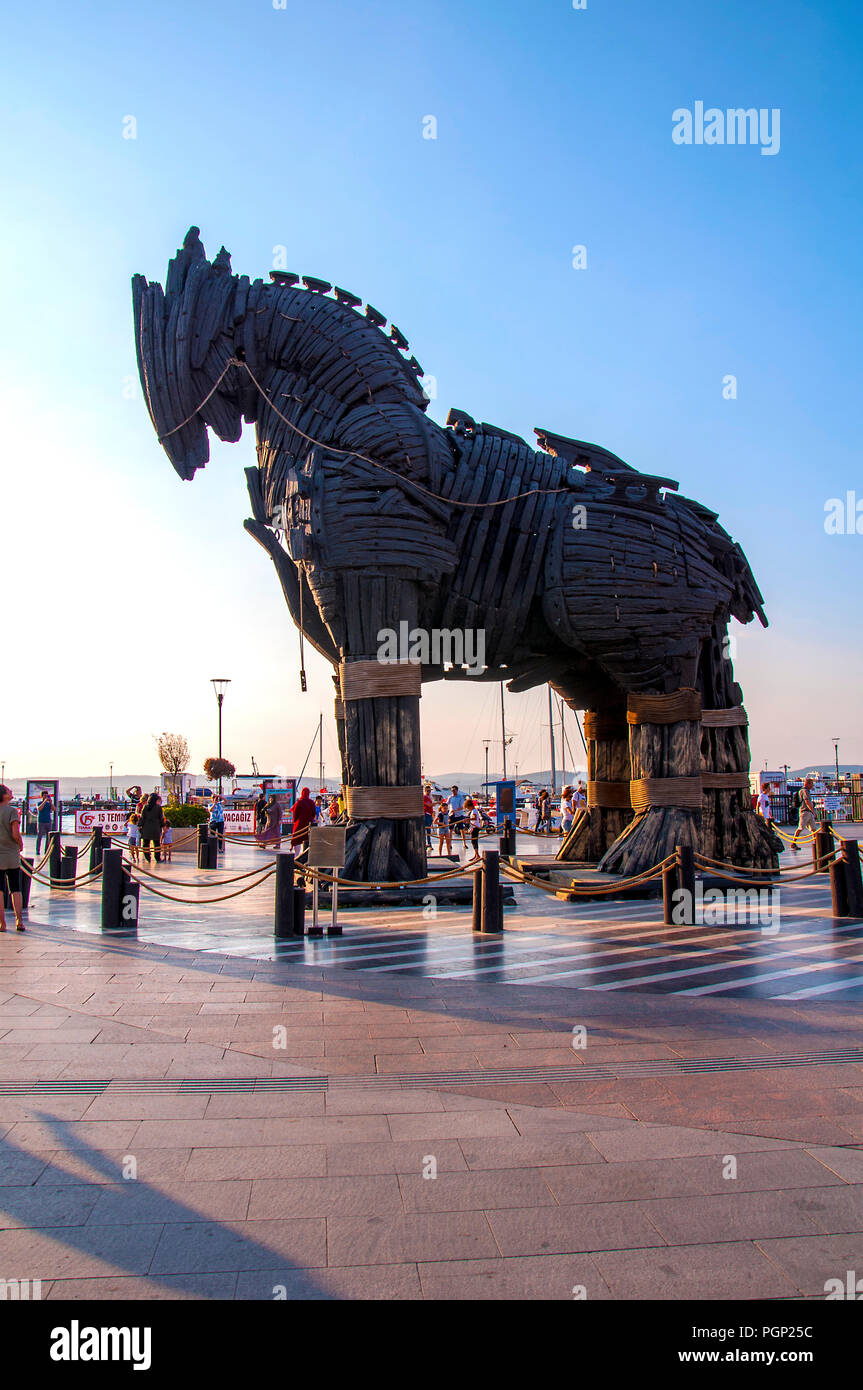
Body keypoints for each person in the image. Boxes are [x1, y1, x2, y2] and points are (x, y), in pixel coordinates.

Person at [0, 786, 25, 932]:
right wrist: (20, 844)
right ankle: (19, 920)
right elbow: (15, 833)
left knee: (0, 889)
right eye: (9, 791)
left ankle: (2, 923)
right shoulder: (12, 811)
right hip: (11, 854)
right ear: (4, 795)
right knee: (15, 887)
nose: (12, 793)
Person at [138, 792, 165, 865]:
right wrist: (163, 826)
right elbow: (161, 818)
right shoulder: (158, 807)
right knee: (156, 844)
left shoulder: (145, 807)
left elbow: (142, 818)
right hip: (156, 828)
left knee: (146, 844)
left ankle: (147, 857)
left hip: (146, 828)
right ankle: (157, 858)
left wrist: (139, 825)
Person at [791, 777, 817, 850]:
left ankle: (816, 842)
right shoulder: (804, 791)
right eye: (811, 784)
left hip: (808, 812)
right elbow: (807, 802)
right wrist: (813, 811)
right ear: (808, 784)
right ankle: (793, 842)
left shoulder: (806, 791)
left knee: (813, 828)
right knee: (800, 828)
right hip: (805, 812)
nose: (812, 786)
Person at [447, 785, 468, 850]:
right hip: (452, 815)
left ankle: (464, 843)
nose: (453, 791)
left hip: (459, 815)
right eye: (452, 790)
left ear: (457, 790)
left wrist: (456, 810)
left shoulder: (460, 797)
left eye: (454, 790)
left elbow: (462, 807)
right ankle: (450, 844)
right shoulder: (450, 797)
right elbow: (447, 804)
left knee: (461, 829)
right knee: (450, 830)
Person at [35, 789, 53, 855]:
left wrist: (50, 802)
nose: (46, 797)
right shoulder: (39, 803)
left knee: (48, 837)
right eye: (44, 796)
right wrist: (44, 801)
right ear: (42, 796)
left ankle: (47, 850)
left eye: (47, 796)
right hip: (41, 821)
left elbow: (54, 809)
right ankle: (38, 850)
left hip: (48, 821)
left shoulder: (48, 804)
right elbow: (39, 809)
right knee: (40, 836)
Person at [423, 784, 435, 851]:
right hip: (426, 815)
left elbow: (430, 806)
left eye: (429, 790)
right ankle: (427, 843)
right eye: (427, 790)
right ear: (425, 791)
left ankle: (429, 844)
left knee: (428, 830)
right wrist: (437, 802)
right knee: (427, 830)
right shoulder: (424, 797)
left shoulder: (429, 797)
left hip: (429, 815)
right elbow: (429, 805)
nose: (429, 792)